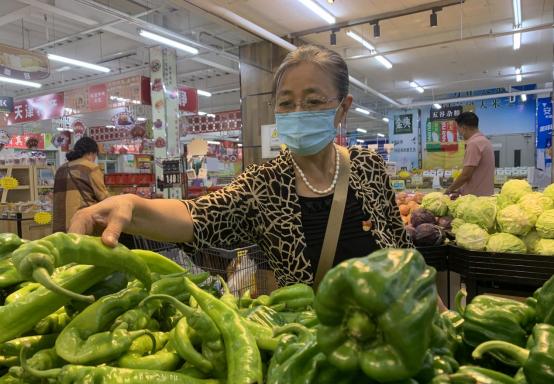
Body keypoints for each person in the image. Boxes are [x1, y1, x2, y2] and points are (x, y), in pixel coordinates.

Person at [69, 45, 411, 287]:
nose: (297, 112)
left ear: (343, 107)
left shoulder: (368, 168)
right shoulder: (264, 184)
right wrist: (132, 206)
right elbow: (197, 217)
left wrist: (435, 310)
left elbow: (400, 248)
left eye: (313, 101)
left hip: (390, 335)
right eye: (286, 103)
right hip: (314, 348)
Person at [53, 136, 110, 232]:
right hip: (82, 225)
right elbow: (103, 197)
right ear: (92, 152)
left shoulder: (61, 169)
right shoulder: (91, 168)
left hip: (60, 225)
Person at [445, 112, 495, 196]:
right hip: (484, 196)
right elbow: (476, 174)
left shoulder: (474, 144)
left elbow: (466, 175)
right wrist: (460, 191)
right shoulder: (485, 141)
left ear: (464, 128)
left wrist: (449, 190)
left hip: (475, 199)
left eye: (458, 129)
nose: (458, 133)